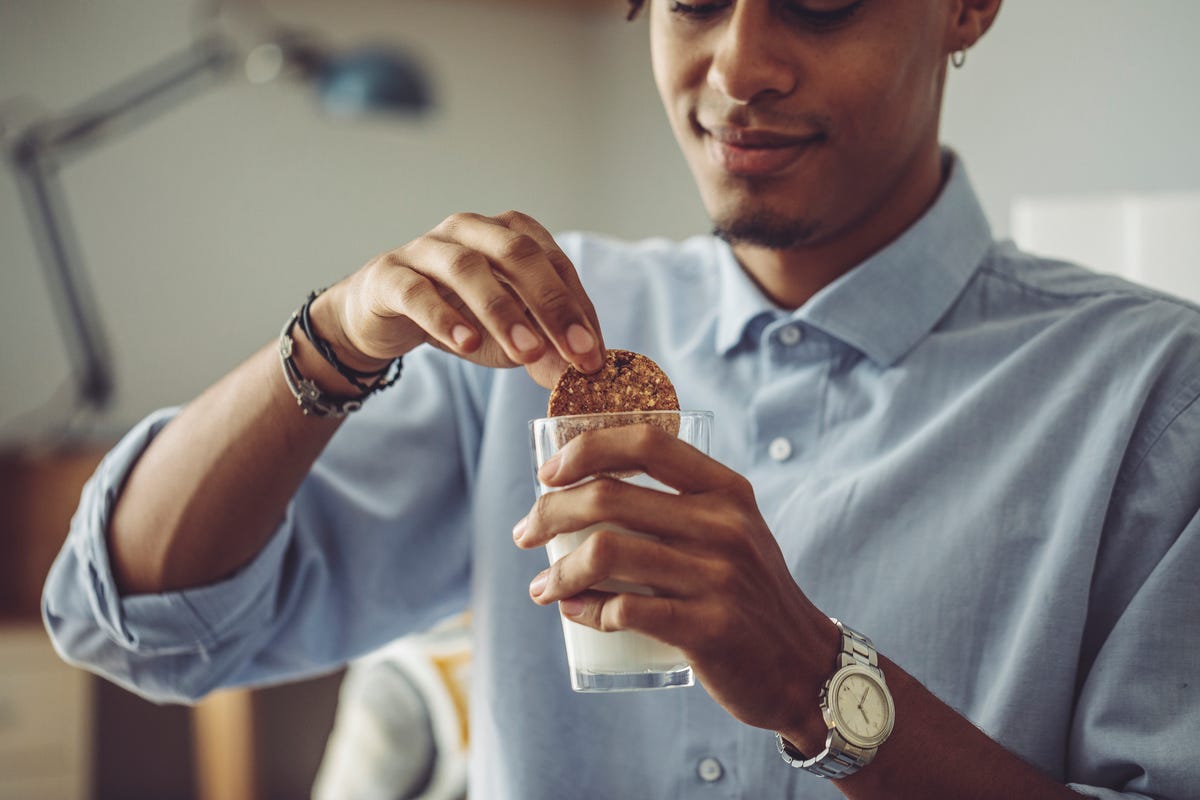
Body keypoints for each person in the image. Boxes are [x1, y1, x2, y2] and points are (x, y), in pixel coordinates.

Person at [42, 1, 1199, 797]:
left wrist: (816, 682)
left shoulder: (1155, 398)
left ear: (967, 6)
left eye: (821, 0)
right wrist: (334, 338)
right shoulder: (521, 351)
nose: (738, 69)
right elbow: (129, 623)